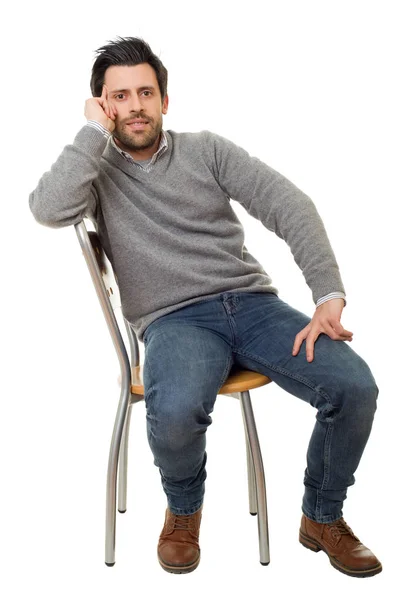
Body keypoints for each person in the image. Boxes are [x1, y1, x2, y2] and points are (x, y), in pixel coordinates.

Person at [29, 36, 381, 577]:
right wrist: (91, 135)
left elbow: (290, 203)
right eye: (118, 96)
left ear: (165, 100)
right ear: (102, 105)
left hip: (254, 305)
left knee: (354, 385)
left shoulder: (206, 150)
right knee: (173, 411)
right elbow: (48, 209)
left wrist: (327, 294)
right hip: (175, 319)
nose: (135, 105)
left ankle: (323, 515)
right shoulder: (92, 170)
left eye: (146, 92)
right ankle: (184, 510)